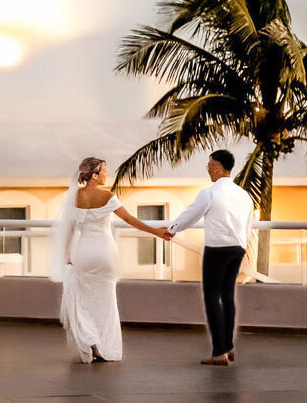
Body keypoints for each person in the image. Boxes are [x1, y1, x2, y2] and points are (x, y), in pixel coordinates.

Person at [50, 157, 171, 363]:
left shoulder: (75, 197)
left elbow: (69, 229)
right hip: (104, 253)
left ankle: (90, 339)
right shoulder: (108, 196)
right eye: (104, 171)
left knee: (83, 301)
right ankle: (105, 347)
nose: (107, 174)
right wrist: (156, 232)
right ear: (95, 175)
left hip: (83, 252)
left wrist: (67, 255)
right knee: (106, 302)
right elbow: (130, 220)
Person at [165, 149, 253, 366]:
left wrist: (171, 228)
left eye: (209, 164)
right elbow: (249, 224)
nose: (207, 168)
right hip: (237, 248)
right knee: (228, 296)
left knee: (212, 297)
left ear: (217, 167)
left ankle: (219, 353)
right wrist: (241, 245)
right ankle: (229, 347)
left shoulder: (210, 193)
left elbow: (191, 214)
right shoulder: (244, 195)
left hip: (217, 249)